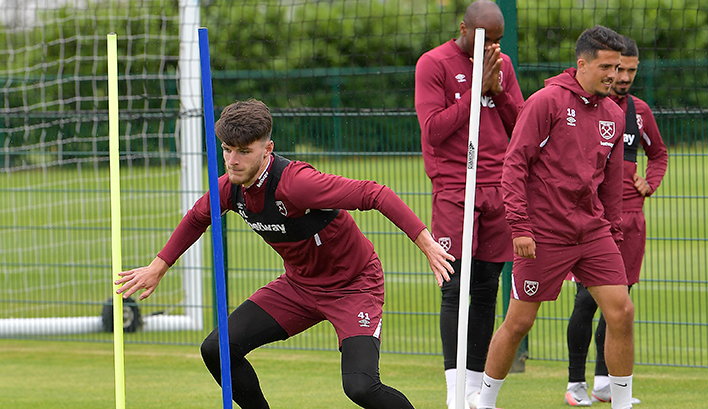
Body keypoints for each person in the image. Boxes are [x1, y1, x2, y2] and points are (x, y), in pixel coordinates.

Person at [115, 98, 456, 409]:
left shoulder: (298, 184)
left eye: (243, 152)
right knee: (217, 349)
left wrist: (425, 241)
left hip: (353, 287)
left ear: (267, 150)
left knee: (361, 387)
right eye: (226, 149)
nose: (233, 161)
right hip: (298, 287)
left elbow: (374, 193)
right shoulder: (229, 188)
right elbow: (196, 218)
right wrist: (159, 266)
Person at [476, 26, 637, 409]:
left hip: (593, 233)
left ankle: (621, 403)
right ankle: (482, 402)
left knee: (622, 311)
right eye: (606, 67)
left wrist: (612, 233)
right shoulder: (545, 102)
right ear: (582, 64)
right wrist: (519, 226)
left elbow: (611, 186)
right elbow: (513, 166)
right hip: (542, 235)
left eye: (618, 67)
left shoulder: (615, 114)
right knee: (519, 323)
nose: (614, 76)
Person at [414, 1, 524, 408]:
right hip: (454, 189)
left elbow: (521, 123)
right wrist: (474, 93)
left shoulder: (503, 65)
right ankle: (453, 392)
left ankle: (476, 391)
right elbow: (433, 131)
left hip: (498, 188)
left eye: (497, 41)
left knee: (486, 289)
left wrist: (496, 89)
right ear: (464, 28)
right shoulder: (433, 64)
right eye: (485, 40)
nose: (492, 49)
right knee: (455, 286)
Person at [564, 35, 668, 407]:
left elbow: (658, 154)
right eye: (617, 69)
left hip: (631, 221)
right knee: (584, 303)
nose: (623, 77)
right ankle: (575, 383)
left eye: (630, 70)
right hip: (591, 221)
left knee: (619, 305)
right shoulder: (589, 106)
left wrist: (649, 182)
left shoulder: (639, 111)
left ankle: (604, 381)